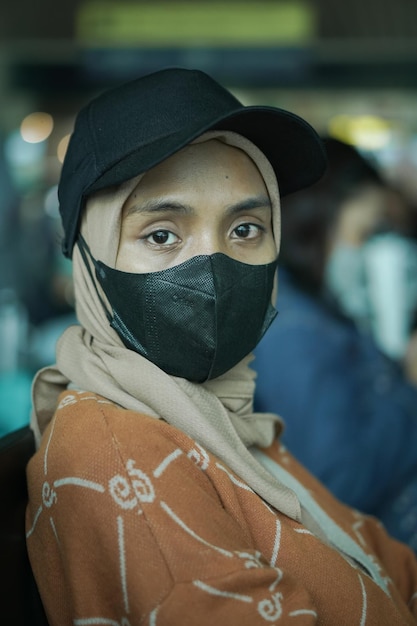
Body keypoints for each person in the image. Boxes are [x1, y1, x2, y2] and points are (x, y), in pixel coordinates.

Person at [25, 68, 417, 625]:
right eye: (162, 234)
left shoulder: (226, 417)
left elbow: (387, 565)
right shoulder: (118, 453)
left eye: (244, 230)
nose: (214, 271)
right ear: (90, 261)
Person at [254, 137, 417, 552]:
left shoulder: (319, 309)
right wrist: (409, 385)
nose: (380, 249)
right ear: (318, 222)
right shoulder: (295, 332)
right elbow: (341, 483)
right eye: (369, 231)